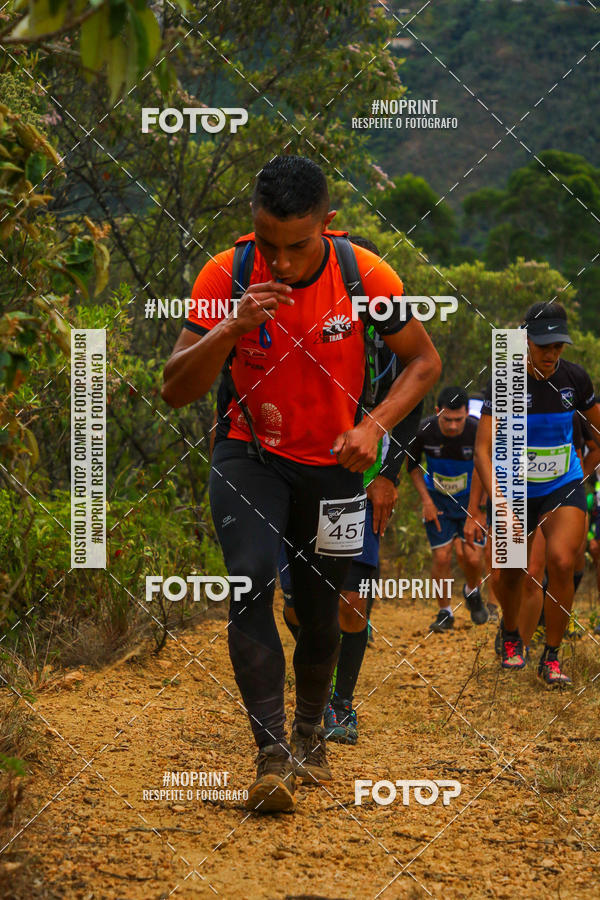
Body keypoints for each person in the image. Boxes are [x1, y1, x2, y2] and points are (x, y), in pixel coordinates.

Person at [161, 155, 441, 813]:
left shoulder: (365, 275)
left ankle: (311, 731)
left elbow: (424, 363)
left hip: (335, 466)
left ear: (328, 223)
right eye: (269, 244)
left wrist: (373, 426)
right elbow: (175, 388)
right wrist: (231, 327)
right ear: (252, 224)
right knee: (250, 581)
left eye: (298, 246)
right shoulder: (225, 275)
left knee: (320, 614)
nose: (281, 262)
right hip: (249, 453)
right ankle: (271, 755)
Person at [278, 234, 423, 746]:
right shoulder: (301, 320)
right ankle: (320, 670)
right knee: (297, 607)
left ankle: (339, 703)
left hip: (359, 482)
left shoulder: (391, 331)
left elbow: (413, 402)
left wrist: (388, 476)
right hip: (294, 474)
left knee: (352, 602)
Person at [475, 302, 600, 687]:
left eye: (558, 346)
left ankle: (552, 656)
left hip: (561, 483)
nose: (551, 353)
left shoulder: (575, 379)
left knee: (561, 561)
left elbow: (597, 437)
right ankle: (511, 634)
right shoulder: (505, 380)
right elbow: (482, 450)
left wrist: (580, 478)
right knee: (511, 571)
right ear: (525, 341)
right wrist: (498, 502)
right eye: (543, 345)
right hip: (513, 486)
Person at [407, 386, 489, 633]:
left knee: (472, 557)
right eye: (447, 420)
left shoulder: (477, 431)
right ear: (437, 412)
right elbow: (412, 467)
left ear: (467, 413)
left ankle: (472, 591)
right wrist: (427, 501)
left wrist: (479, 510)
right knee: (442, 557)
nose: (453, 426)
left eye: (458, 419)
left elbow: (489, 469)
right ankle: (445, 612)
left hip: (469, 502)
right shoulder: (424, 430)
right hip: (438, 501)